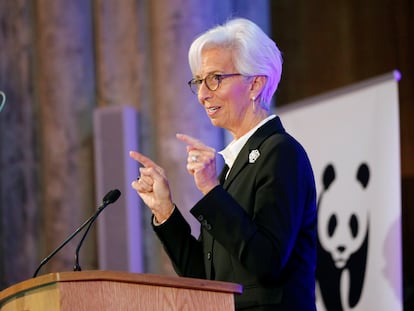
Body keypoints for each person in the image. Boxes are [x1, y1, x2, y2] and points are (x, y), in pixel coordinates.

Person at [130, 17, 317, 310]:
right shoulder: (235, 166)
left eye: (215, 78)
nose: (203, 94)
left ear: (255, 84)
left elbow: (266, 262)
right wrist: (165, 210)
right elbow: (205, 279)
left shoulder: (281, 154)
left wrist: (210, 189)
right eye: (199, 81)